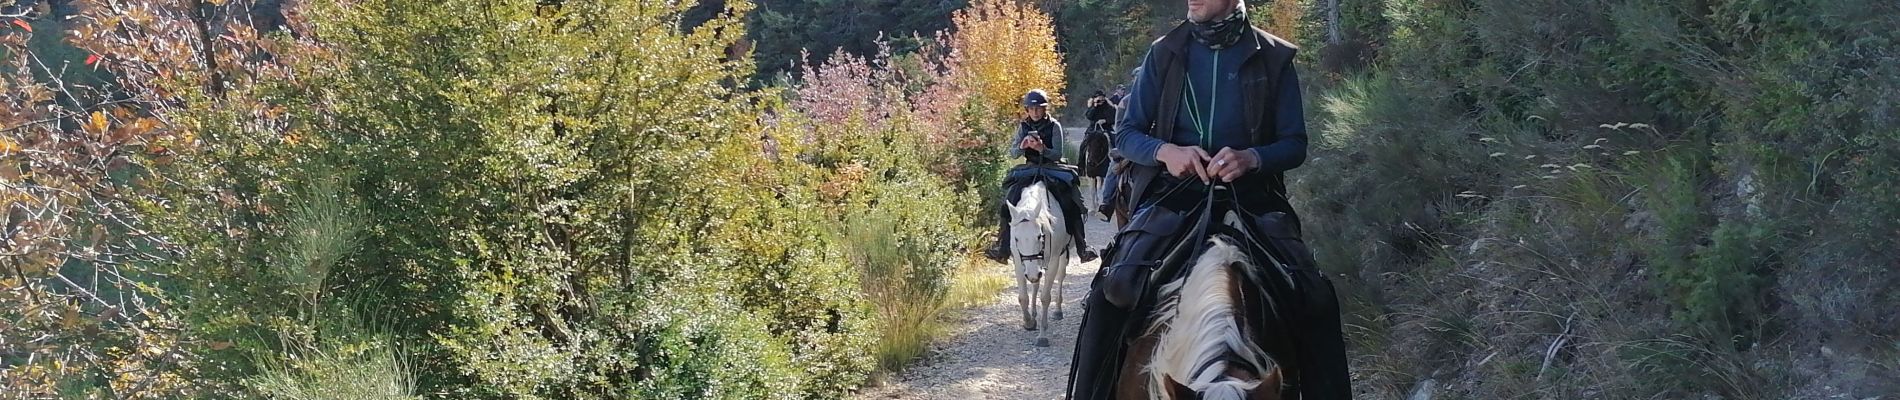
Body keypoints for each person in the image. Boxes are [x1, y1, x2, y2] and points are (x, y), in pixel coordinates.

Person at [1065, 0, 1351, 398]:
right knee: (1110, 294)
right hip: (1175, 198)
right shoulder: (1163, 52)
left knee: (1317, 296)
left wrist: (1253, 157)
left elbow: (1295, 144)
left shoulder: (1274, 56)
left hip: (1251, 200)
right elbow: (1128, 133)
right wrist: (1168, 152)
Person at [983, 89, 1100, 263]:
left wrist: (1041, 149)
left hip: (1051, 167)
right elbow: (1013, 153)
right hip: (1029, 169)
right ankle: (1002, 247)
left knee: (1072, 201)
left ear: (1045, 109)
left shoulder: (1055, 126)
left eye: (1039, 108)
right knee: (1008, 202)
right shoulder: (1023, 127)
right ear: (1027, 110)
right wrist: (1022, 146)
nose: (1035, 112)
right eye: (1032, 108)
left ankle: (1083, 247)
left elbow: (1057, 153)